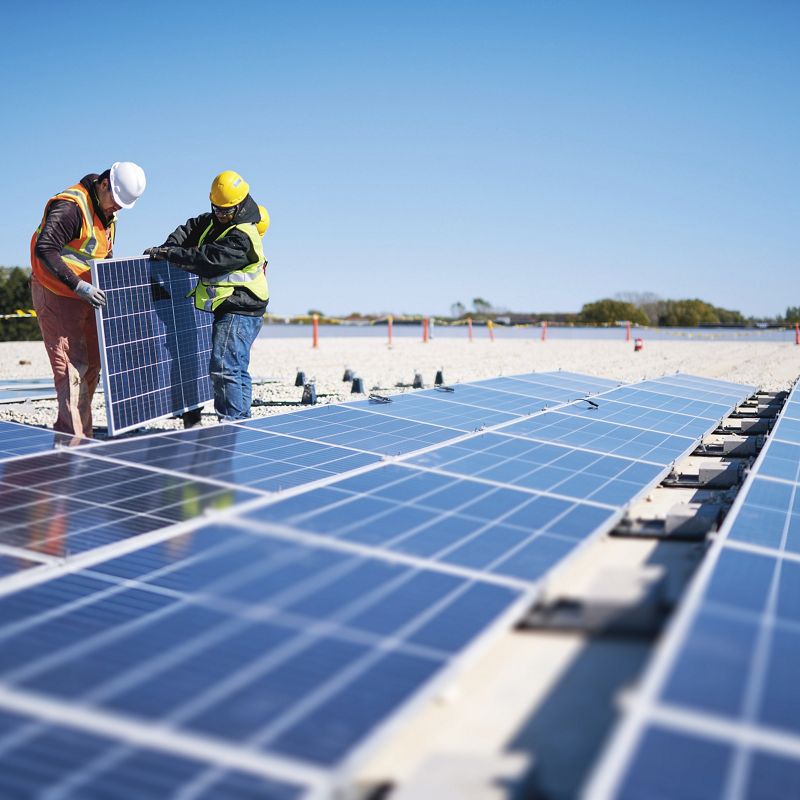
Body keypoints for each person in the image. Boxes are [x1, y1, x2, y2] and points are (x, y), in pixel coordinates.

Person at [30, 162, 147, 438]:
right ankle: (73, 443)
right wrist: (78, 285)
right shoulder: (71, 206)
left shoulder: (107, 213)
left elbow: (101, 255)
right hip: (58, 293)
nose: (116, 208)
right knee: (71, 369)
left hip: (86, 296)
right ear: (104, 184)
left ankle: (81, 435)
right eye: (116, 201)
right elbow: (44, 248)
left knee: (93, 363)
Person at [145, 170, 269, 426]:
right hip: (234, 307)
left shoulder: (242, 236)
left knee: (224, 367)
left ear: (241, 205)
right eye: (217, 209)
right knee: (235, 368)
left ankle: (231, 424)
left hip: (241, 308)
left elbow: (208, 259)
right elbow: (189, 229)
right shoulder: (214, 220)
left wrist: (172, 255)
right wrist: (168, 248)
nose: (221, 215)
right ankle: (241, 424)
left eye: (226, 211)